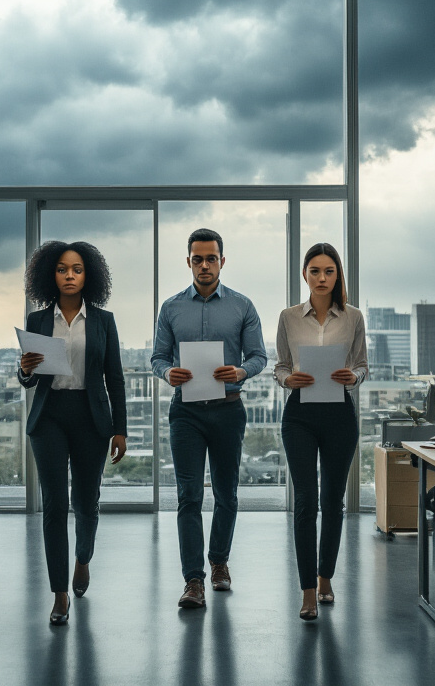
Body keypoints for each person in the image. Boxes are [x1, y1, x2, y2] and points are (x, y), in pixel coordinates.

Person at [151, 228, 268, 610]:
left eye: (211, 258)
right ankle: (193, 581)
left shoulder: (243, 306)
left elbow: (259, 357)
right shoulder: (170, 308)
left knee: (226, 493)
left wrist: (240, 372)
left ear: (222, 260)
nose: (204, 265)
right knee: (188, 496)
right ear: (188, 262)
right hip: (185, 412)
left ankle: (219, 562)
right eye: (197, 259)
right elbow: (158, 358)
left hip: (228, 410)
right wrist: (168, 373)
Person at [18, 241, 128, 626]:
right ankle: (59, 593)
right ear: (51, 274)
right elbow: (27, 379)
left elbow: (115, 377)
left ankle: (83, 558)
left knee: (86, 501)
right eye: (62, 269)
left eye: (77, 269)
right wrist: (26, 369)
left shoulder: (103, 320)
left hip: (90, 417)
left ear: (88, 275)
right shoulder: (37, 320)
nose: (69, 275)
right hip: (49, 417)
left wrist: (121, 430)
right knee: (54, 506)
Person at [274, 243, 367, 621]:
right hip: (299, 414)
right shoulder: (288, 317)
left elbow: (362, 364)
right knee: (305, 502)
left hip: (340, 413)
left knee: (333, 502)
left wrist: (354, 377)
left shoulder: (354, 317)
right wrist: (288, 379)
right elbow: (279, 365)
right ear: (305, 274)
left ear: (338, 274)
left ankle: (325, 576)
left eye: (329, 271)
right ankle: (308, 591)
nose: (322, 278)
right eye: (315, 271)